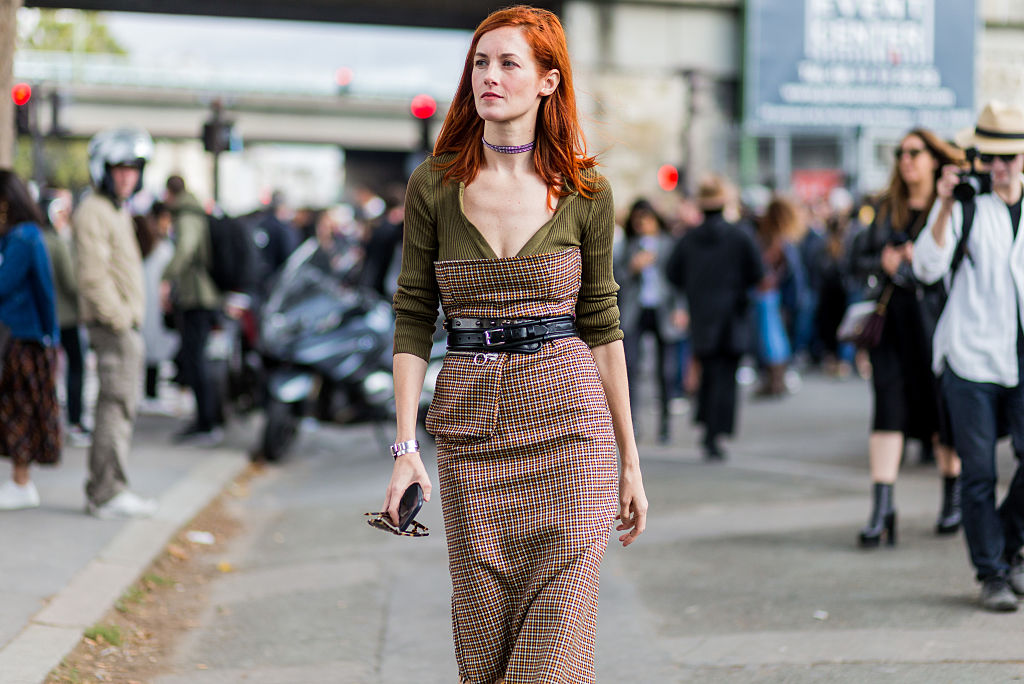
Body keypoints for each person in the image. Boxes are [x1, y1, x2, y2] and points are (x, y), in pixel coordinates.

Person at [382, 7, 648, 682]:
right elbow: (413, 315)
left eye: (508, 64)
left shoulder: (587, 191)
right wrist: (405, 448)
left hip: (571, 431)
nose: (489, 76)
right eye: (480, 62)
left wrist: (630, 459)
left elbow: (602, 323)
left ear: (548, 82)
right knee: (483, 647)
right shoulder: (434, 185)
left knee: (551, 651)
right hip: (473, 436)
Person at [914, 101, 1024, 611]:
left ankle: (1007, 543)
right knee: (977, 470)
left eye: (1011, 157)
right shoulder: (965, 207)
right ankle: (993, 573)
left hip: (1019, 359)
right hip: (970, 357)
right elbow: (927, 267)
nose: (1000, 168)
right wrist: (940, 204)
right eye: (992, 157)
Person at [851, 128, 963, 549]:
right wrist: (882, 260)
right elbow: (851, 260)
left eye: (915, 152)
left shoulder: (950, 205)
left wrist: (928, 258)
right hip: (891, 325)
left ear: (934, 159)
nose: (906, 159)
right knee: (888, 408)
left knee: (941, 410)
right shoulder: (884, 209)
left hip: (937, 323)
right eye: (900, 153)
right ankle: (882, 509)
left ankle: (952, 496)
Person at [73, 127, 158, 519]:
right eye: (120, 168)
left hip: (123, 325)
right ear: (103, 169)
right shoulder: (94, 210)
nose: (128, 176)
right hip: (114, 327)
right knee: (114, 406)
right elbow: (92, 276)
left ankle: (109, 488)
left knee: (119, 406)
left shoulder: (115, 209)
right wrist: (121, 319)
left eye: (134, 169)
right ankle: (107, 493)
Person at [667, 175, 764, 460]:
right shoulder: (741, 235)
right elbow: (757, 274)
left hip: (702, 315)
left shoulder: (689, 238)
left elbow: (672, 274)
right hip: (733, 315)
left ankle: (707, 428)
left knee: (707, 371)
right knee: (727, 376)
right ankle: (718, 431)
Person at [0, 171, 62, 510]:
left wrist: (49, 338)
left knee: (18, 410)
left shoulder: (23, 238)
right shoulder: (22, 236)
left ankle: (21, 483)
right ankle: (20, 482)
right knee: (17, 409)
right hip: (25, 338)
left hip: (22, 340)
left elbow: (6, 284)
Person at [161, 175, 223, 446]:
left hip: (197, 297)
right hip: (199, 295)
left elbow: (185, 250)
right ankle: (206, 419)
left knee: (195, 358)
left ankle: (206, 422)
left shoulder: (187, 216)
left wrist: (166, 276)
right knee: (195, 357)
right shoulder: (193, 212)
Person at [615, 198, 680, 443]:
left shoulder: (667, 244)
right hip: (634, 311)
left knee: (666, 371)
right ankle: (633, 422)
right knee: (631, 367)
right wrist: (632, 268)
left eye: (647, 219)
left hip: (662, 309)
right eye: (638, 220)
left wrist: (680, 309)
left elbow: (677, 281)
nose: (643, 224)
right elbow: (614, 277)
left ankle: (665, 422)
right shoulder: (627, 246)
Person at [40, 188, 90, 446]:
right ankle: (75, 421)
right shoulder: (56, 242)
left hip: (45, 316)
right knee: (75, 367)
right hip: (66, 315)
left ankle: (52, 421)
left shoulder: (37, 238)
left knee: (49, 369)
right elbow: (71, 281)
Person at [136, 203, 178, 414]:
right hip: (152, 301)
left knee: (153, 347)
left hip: (149, 301)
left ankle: (150, 393)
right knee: (151, 347)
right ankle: (149, 394)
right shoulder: (158, 247)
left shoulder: (153, 245)